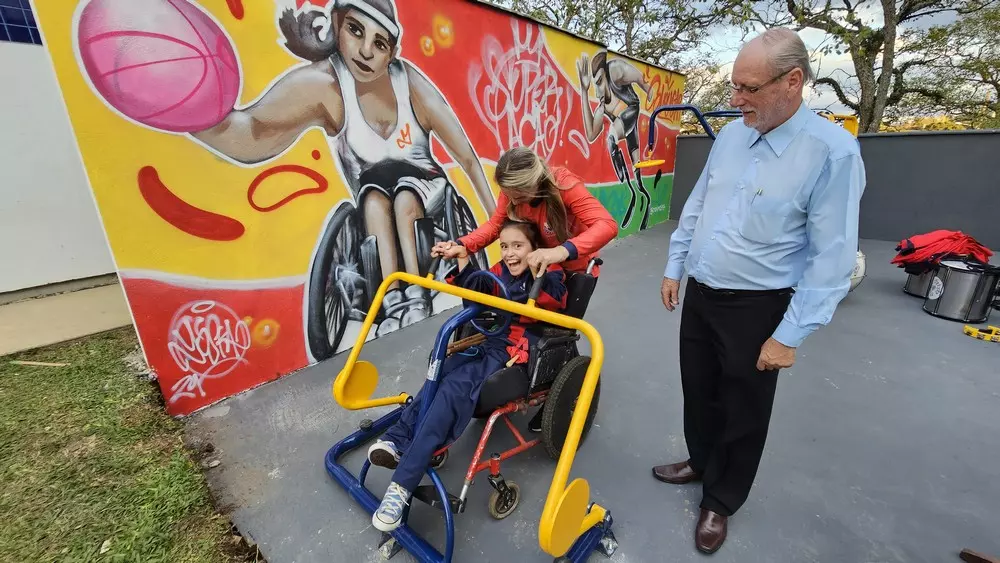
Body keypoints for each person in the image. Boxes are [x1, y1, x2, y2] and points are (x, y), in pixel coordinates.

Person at [652, 29, 865, 554]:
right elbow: (698, 205)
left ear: (793, 82)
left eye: (747, 88)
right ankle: (701, 462)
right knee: (698, 390)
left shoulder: (832, 153)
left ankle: (721, 500)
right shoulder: (731, 137)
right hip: (702, 294)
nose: (734, 100)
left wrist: (791, 334)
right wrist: (676, 265)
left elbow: (832, 257)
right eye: (733, 86)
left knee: (744, 408)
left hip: (759, 306)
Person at [190, 0, 496, 337]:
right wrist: (190, 111)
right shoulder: (327, 84)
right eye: (355, 31)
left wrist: (499, 222)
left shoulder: (408, 82)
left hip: (426, 186)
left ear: (391, 54)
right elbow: (253, 131)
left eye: (379, 44)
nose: (365, 51)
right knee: (375, 202)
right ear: (337, 28)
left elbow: (467, 156)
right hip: (372, 192)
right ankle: (393, 297)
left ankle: (417, 291)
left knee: (404, 197)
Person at [367, 220, 569, 533]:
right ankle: (395, 439)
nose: (510, 253)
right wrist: (462, 257)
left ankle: (401, 487)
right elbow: (475, 293)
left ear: (534, 248)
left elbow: (556, 299)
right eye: (504, 246)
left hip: (516, 354)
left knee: (451, 390)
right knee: (437, 374)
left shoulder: (549, 271)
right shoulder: (501, 270)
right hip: (489, 341)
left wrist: (539, 269)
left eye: (518, 246)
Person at [432, 145, 619, 431]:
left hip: (567, 267)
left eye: (519, 195)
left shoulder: (564, 185)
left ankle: (552, 382)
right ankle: (502, 370)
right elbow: (495, 226)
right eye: (510, 195)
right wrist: (462, 245)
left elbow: (606, 225)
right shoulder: (512, 190)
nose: (513, 201)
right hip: (531, 262)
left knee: (556, 329)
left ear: (534, 182)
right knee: (509, 313)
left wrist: (561, 251)